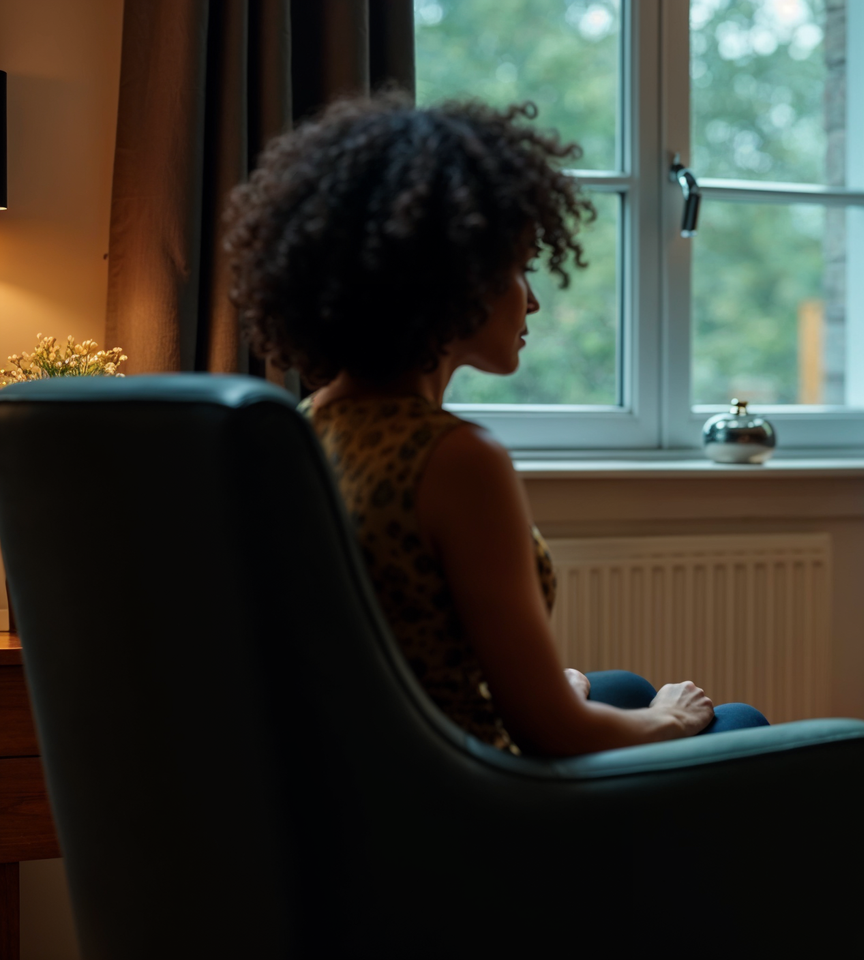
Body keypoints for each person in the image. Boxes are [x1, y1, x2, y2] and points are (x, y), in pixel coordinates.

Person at [225, 94, 767, 756]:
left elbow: (401, 653)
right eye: (517, 270)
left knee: (617, 684)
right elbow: (555, 733)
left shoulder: (305, 428)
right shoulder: (454, 460)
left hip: (372, 774)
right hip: (472, 802)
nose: (532, 298)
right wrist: (670, 720)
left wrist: (562, 690)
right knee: (736, 725)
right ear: (450, 283)